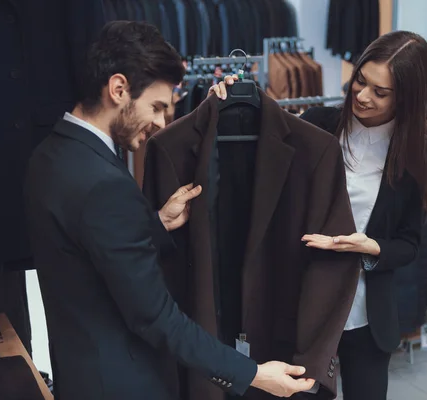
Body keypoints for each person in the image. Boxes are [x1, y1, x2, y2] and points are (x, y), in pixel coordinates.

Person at [24, 21, 315, 400]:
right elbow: (157, 317)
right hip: (125, 384)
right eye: (157, 107)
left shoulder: (50, 155)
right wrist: (254, 373)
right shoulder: (105, 183)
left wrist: (155, 223)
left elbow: (85, 252)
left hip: (80, 373)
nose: (162, 122)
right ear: (118, 89)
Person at [213, 31, 427, 400]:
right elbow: (254, 142)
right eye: (360, 82)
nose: (363, 96)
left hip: (366, 315)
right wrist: (225, 101)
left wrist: (371, 247)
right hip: (305, 306)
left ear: (407, 97)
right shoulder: (318, 124)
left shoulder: (418, 155)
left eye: (380, 92)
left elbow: (410, 243)